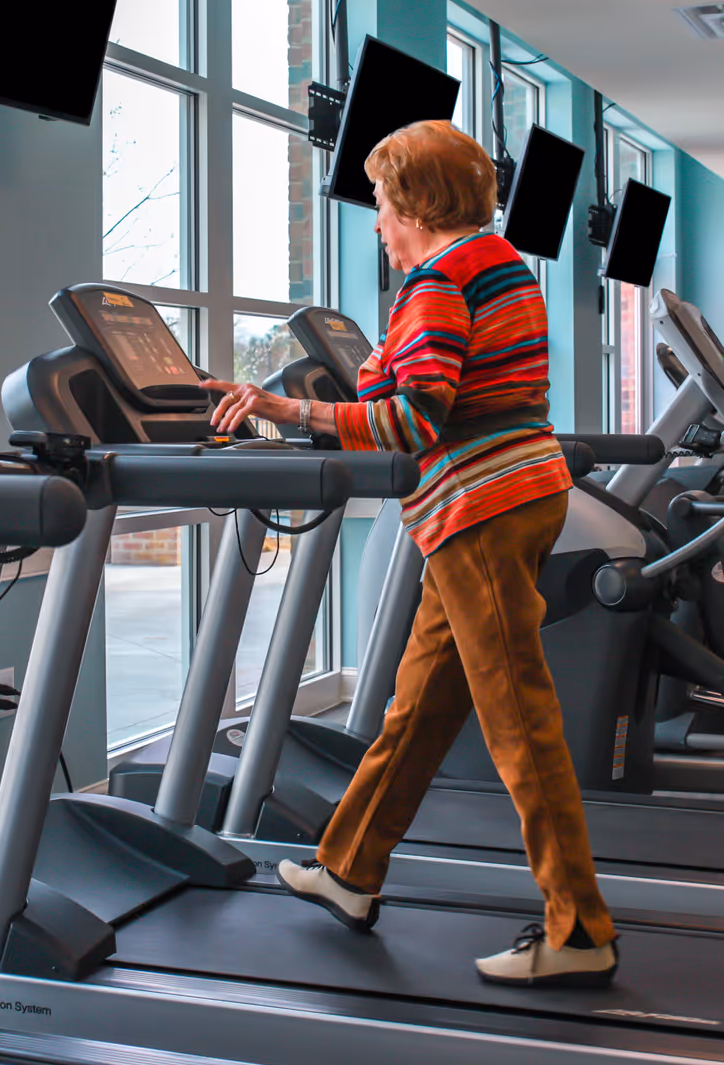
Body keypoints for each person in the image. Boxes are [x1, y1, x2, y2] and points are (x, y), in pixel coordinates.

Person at [200, 119, 618, 988]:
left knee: (519, 723)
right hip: (510, 501)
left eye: (384, 207)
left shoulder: (436, 283)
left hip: (482, 512)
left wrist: (290, 414)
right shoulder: (501, 267)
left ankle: (578, 929)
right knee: (420, 704)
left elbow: (410, 420)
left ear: (418, 205)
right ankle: (350, 867)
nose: (379, 225)